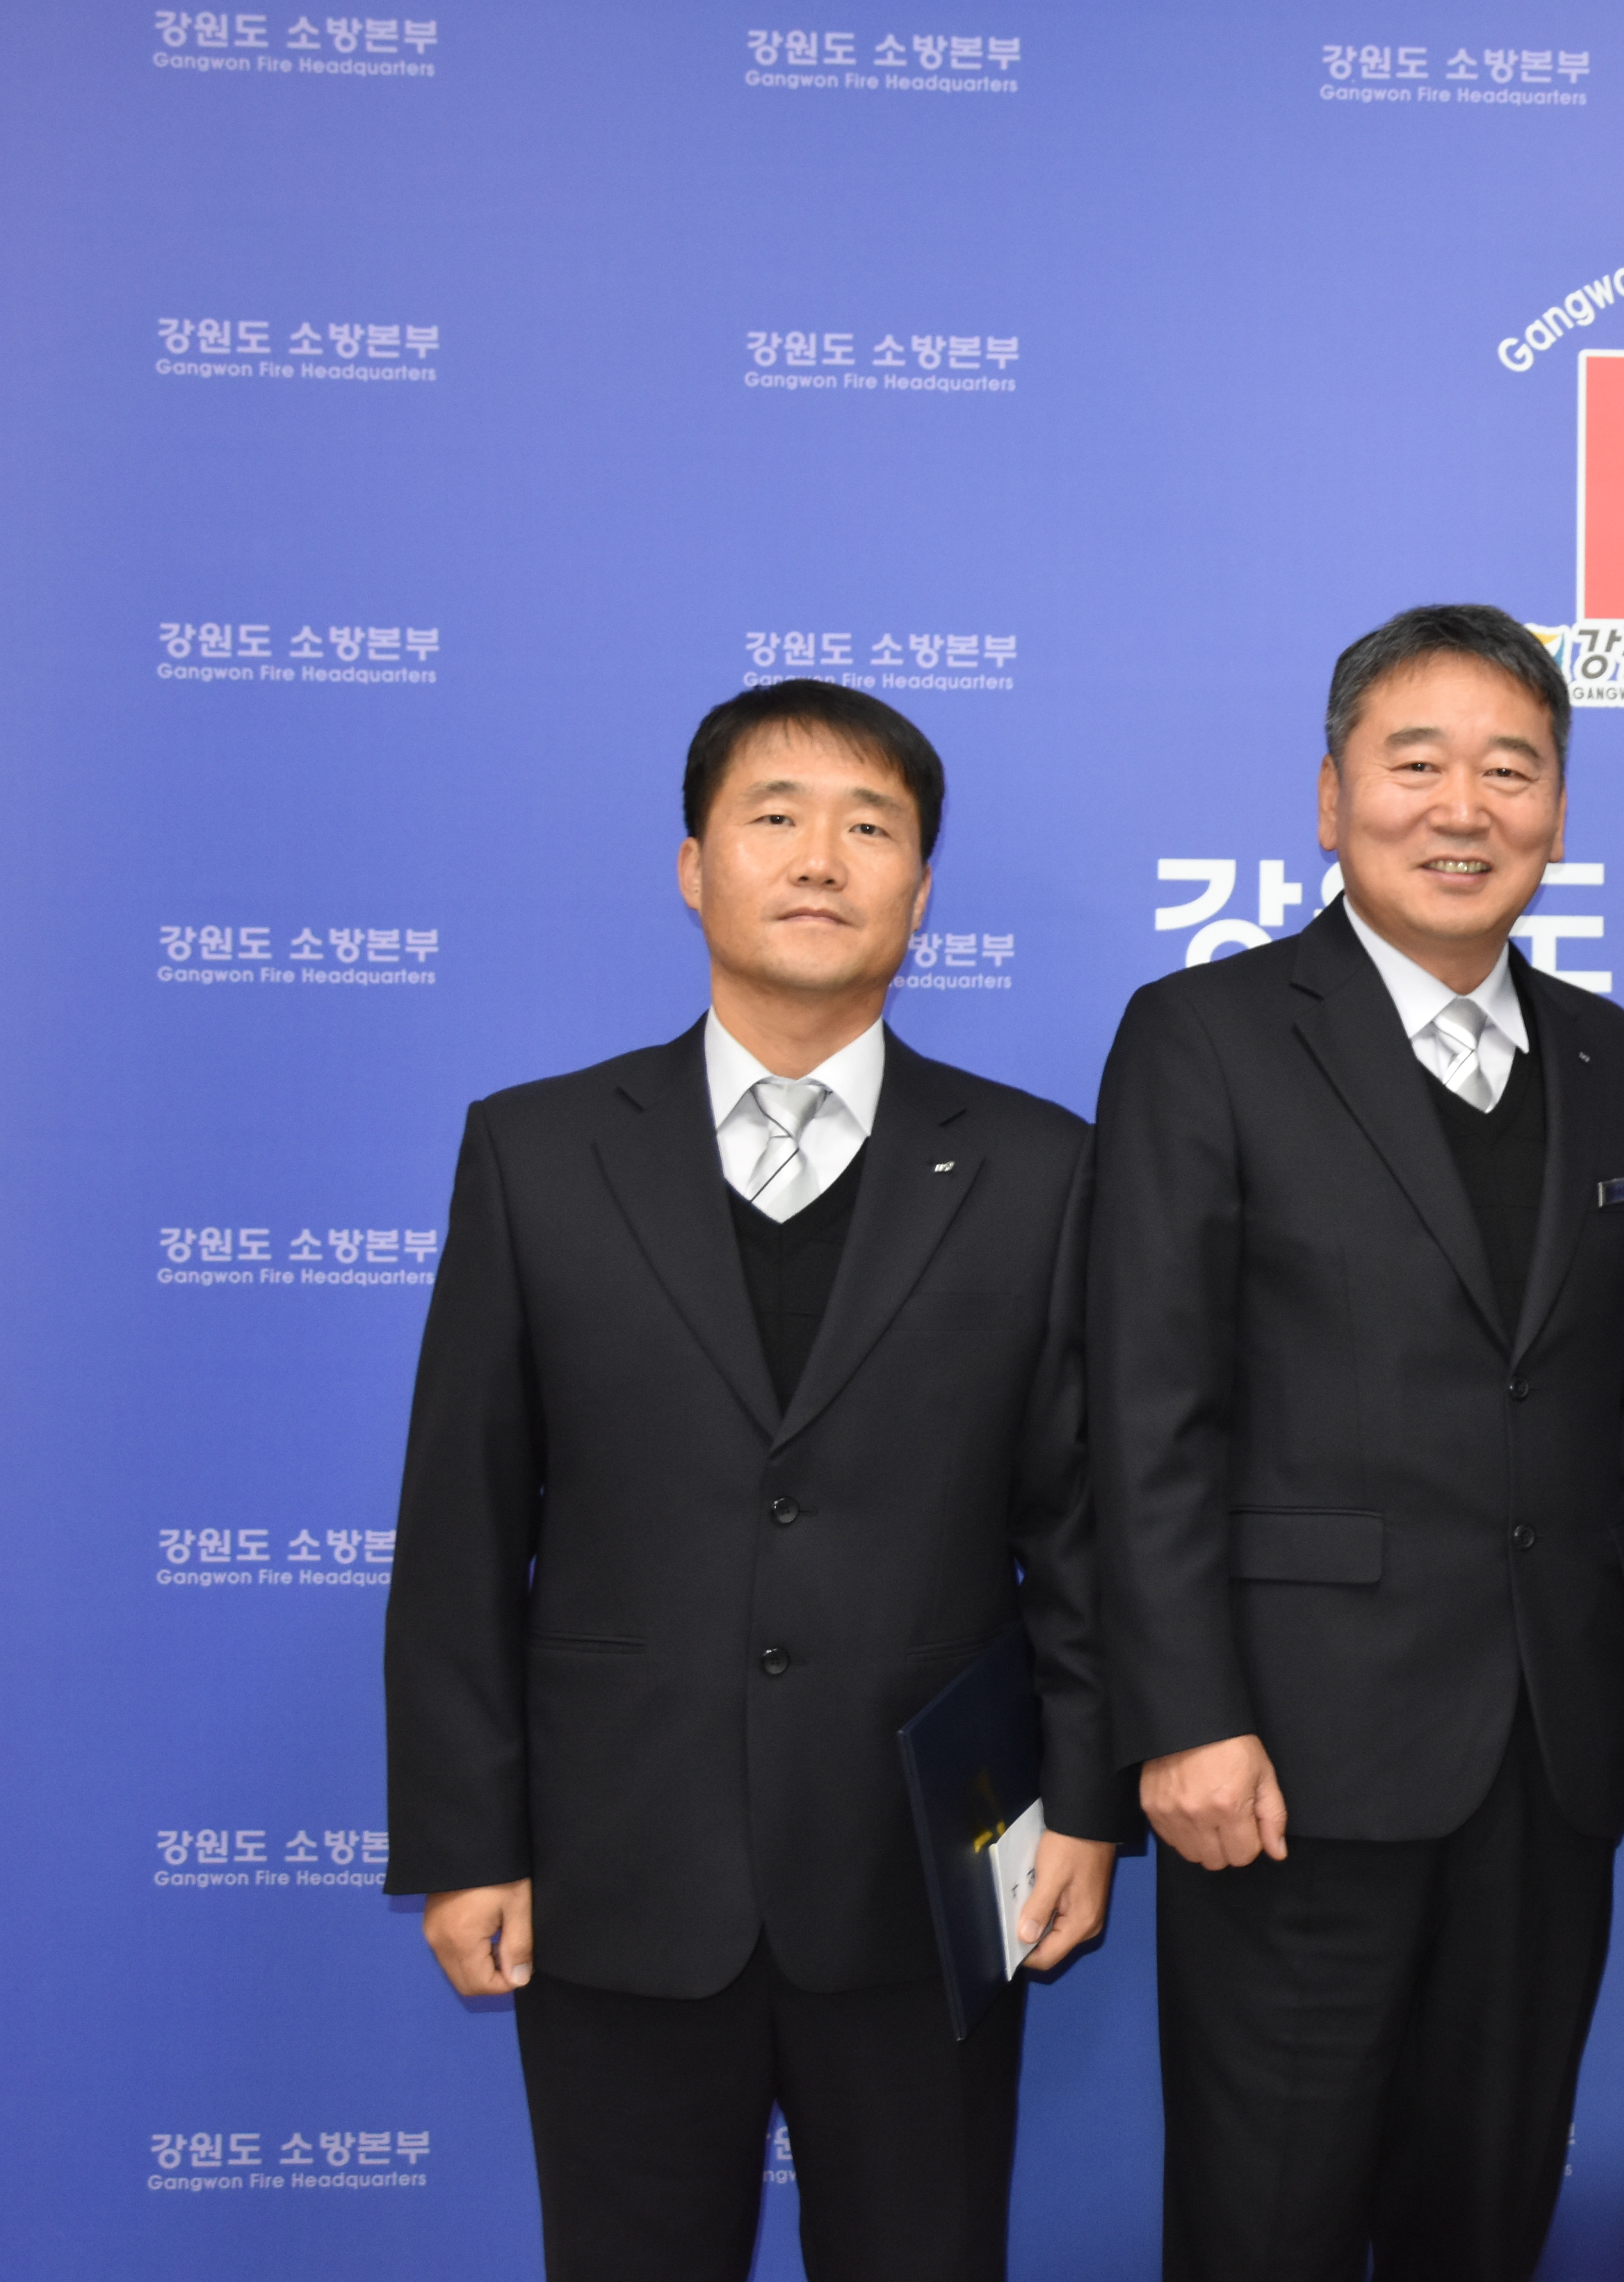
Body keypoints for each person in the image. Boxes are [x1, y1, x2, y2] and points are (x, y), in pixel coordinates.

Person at [382, 681, 1120, 2280]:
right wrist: (465, 1839)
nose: (820, 858)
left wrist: (1084, 1805)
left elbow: (1079, 1527)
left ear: (921, 892)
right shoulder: (538, 1153)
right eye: (774, 817)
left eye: (872, 827)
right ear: (694, 868)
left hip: (933, 1863)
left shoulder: (1040, 1167)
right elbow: (461, 1529)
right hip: (617, 1861)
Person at [1091, 603, 1624, 2280]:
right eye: (1416, 764)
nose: (1463, 808)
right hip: (1287, 1765)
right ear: (1332, 797)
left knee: (1484, 2216)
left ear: (1558, 811)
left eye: (1512, 770)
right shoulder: (1205, 1036)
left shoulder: (1616, 1061)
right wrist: (1186, 1718)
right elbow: (1148, 1409)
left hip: (1549, 1761)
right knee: (1266, 2218)